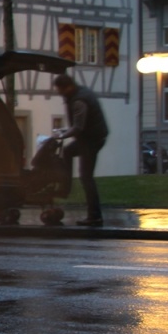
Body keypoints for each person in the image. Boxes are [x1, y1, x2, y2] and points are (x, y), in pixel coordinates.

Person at [53, 73, 108, 226]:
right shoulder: (80, 93)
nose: (59, 94)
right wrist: (64, 132)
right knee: (68, 152)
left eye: (60, 90)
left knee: (86, 177)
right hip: (90, 138)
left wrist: (61, 136)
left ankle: (94, 216)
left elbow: (78, 127)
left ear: (67, 87)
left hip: (91, 140)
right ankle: (66, 186)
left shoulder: (79, 100)